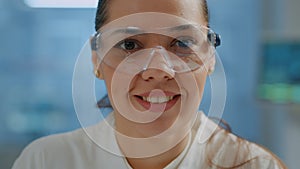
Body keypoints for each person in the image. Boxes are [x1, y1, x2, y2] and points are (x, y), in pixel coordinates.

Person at [12, 0, 287, 168]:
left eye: (181, 43)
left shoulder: (255, 166)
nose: (158, 70)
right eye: (129, 45)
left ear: (210, 57)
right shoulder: (46, 162)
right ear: (96, 58)